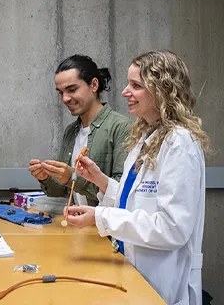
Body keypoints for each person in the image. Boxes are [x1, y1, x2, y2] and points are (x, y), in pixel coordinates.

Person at [67, 50, 210, 305]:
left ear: (162, 90)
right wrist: (100, 179)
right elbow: (133, 201)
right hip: (136, 274)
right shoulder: (146, 138)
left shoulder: (180, 143)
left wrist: (100, 216)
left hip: (163, 283)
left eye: (136, 85)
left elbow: (172, 229)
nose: (124, 92)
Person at [29, 55, 131, 206]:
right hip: (78, 226)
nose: (65, 98)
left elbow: (123, 191)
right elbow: (61, 191)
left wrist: (72, 178)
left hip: (105, 227)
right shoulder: (71, 131)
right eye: (61, 92)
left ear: (94, 85)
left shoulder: (122, 127)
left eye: (72, 89)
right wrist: (45, 177)